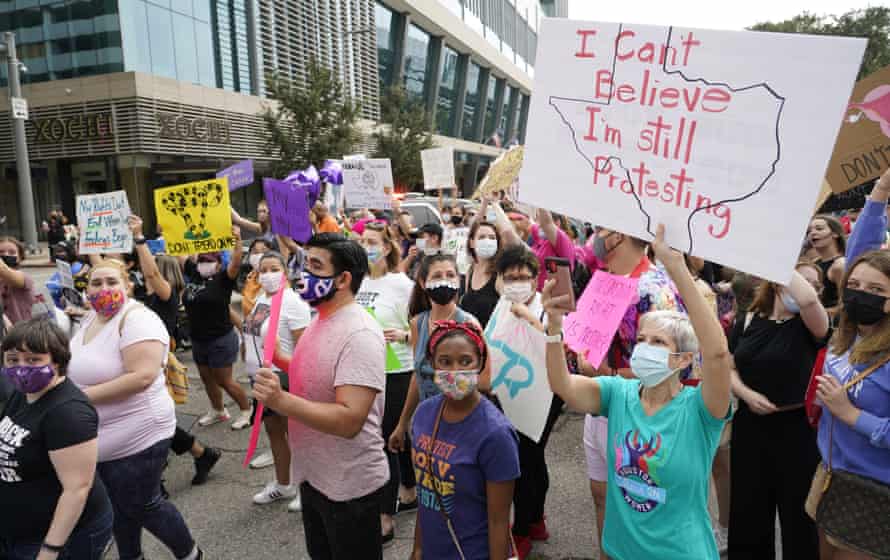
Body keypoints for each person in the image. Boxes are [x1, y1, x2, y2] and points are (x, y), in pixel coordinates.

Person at [545, 224, 732, 560]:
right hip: (619, 551)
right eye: (642, 340)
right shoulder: (620, 394)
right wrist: (553, 329)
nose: (645, 348)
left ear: (683, 358)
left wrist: (676, 267)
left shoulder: (700, 411)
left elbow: (717, 353)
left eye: (659, 342)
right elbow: (563, 385)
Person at [253, 233, 388, 559]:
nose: (303, 274)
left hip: (348, 487)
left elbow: (349, 419)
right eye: (303, 263)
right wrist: (277, 359)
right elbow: (313, 371)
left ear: (343, 279)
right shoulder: (321, 320)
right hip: (315, 476)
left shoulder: (359, 334)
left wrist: (281, 401)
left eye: (315, 266)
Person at [68, 259, 204, 560]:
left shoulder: (138, 319)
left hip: (139, 433)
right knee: (119, 504)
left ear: (128, 285)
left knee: (144, 504)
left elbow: (141, 377)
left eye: (112, 282)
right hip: (99, 435)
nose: (104, 288)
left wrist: (77, 399)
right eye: (96, 282)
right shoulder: (91, 318)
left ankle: (190, 554)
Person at [578, 226, 684, 559]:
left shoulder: (654, 289)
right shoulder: (602, 280)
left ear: (619, 236)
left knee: (637, 504)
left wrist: (609, 374)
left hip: (638, 414)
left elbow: (669, 363)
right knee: (601, 496)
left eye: (602, 229)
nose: (595, 236)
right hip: (599, 405)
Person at [809, 170, 890, 560]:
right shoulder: (850, 334)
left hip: (872, 492)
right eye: (856, 286)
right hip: (830, 477)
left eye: (877, 291)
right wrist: (879, 193)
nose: (861, 294)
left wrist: (851, 414)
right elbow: (862, 252)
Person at [728, 264, 828, 558]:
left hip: (797, 430)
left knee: (799, 519)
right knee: (748, 511)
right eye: (801, 280)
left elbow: (809, 301)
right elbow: (729, 366)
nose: (807, 288)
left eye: (814, 284)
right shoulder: (748, 319)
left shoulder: (810, 325)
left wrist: (778, 255)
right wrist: (746, 393)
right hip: (750, 426)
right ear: (775, 283)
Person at [0, 318, 113, 559]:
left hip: (60, 538)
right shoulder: (24, 393)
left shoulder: (68, 414)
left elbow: (77, 489)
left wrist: (50, 550)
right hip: (20, 531)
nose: (21, 367)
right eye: (12, 359)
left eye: (33, 360)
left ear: (58, 360)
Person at [409, 321, 520, 560]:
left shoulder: (496, 434)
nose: (455, 370)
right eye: (445, 362)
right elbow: (425, 493)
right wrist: (418, 549)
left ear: (479, 363)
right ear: (432, 364)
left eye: (465, 361)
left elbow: (499, 520)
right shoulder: (423, 414)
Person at [129, 216, 221, 486]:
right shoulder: (141, 293)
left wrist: (139, 240)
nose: (143, 272)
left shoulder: (165, 294)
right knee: (151, 418)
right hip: (136, 360)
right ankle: (200, 453)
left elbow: (152, 274)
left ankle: (155, 478)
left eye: (150, 268)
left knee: (148, 418)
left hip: (154, 362)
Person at [491, 245, 565, 558]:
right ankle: (534, 519)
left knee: (528, 460)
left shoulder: (546, 307)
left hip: (546, 395)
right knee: (529, 460)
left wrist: (530, 319)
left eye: (524, 276)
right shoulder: (502, 304)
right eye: (511, 277)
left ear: (536, 278)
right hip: (509, 394)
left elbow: (560, 344)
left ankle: (522, 529)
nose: (518, 282)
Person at [356, 222, 417, 544]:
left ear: (388, 246)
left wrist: (407, 336)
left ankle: (384, 514)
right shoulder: (358, 281)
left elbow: (421, 323)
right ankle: (408, 490)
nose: (366, 246)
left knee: (385, 438)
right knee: (395, 436)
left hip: (398, 371)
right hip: (366, 368)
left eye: (372, 241)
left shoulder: (401, 284)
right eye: (362, 240)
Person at [389, 254, 481, 455]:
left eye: (450, 275)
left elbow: (480, 382)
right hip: (427, 420)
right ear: (423, 282)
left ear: (458, 281)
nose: (444, 280)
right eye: (437, 275)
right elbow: (417, 377)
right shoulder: (418, 323)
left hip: (461, 423)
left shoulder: (468, 324)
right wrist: (402, 423)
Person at [244, 251, 310, 511]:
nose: (268, 274)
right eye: (263, 270)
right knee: (274, 431)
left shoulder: (293, 302)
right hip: (261, 378)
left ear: (285, 272)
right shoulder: (260, 299)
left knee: (297, 434)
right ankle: (284, 484)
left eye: (274, 268)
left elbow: (302, 348)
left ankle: (307, 486)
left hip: (285, 378)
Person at [181, 228, 251, 429]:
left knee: (224, 380)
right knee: (206, 378)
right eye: (202, 260)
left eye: (209, 260)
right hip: (198, 339)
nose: (204, 263)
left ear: (219, 264)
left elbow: (236, 262)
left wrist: (237, 240)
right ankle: (218, 409)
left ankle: (246, 409)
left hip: (220, 339)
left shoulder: (223, 280)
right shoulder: (194, 275)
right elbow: (180, 251)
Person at [460, 220, 502, 328]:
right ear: (472, 243)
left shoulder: (500, 273)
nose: (487, 241)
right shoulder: (470, 270)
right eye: (482, 237)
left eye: (492, 238)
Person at [807, 215, 846, 311]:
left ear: (835, 234)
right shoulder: (814, 262)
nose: (812, 233)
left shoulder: (840, 265)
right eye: (809, 231)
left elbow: (845, 305)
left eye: (819, 229)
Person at [529, 209, 575, 291]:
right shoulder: (541, 240)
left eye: (540, 221)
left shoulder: (563, 241)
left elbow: (546, 223)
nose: (538, 225)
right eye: (537, 220)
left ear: (557, 223)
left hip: (553, 297)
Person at [0, 236, 34, 323]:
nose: (6, 255)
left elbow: (5, 271)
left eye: (12, 252)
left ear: (20, 257)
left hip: (20, 333)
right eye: (1, 252)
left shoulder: (25, 278)